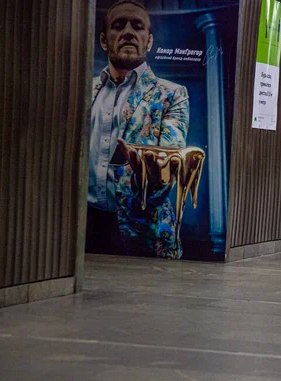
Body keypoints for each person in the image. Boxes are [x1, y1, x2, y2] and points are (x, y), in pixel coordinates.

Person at [88, 0, 190, 259]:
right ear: (103, 40)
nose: (129, 32)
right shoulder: (83, 90)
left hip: (145, 232)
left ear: (149, 41)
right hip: (82, 227)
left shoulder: (172, 95)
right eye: (118, 26)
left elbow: (169, 160)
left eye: (138, 26)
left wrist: (154, 176)